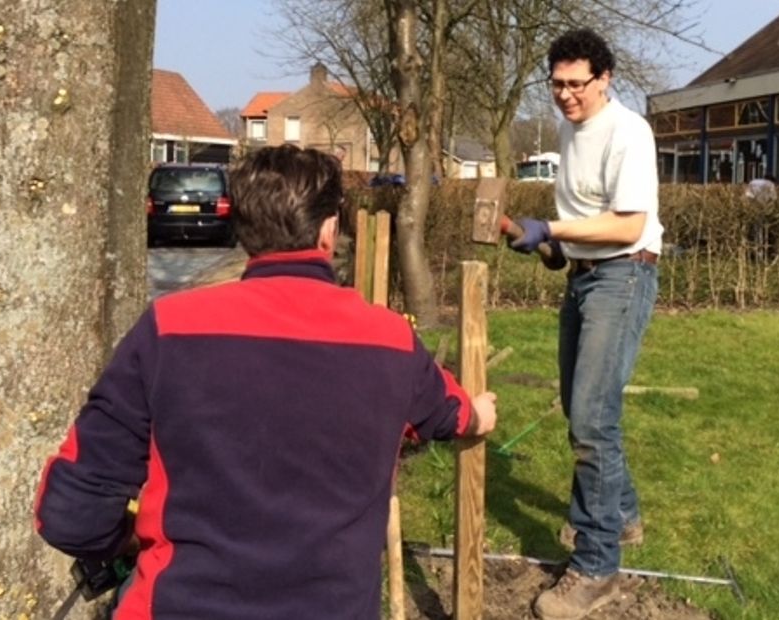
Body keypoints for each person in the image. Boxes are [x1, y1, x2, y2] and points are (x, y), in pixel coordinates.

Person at [34, 144, 497, 619]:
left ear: (244, 230)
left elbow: (70, 512)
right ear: (328, 229)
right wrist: (477, 413)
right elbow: (448, 411)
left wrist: (128, 543)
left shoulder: (168, 330)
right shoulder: (390, 340)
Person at [508, 28, 662, 620]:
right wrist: (542, 245)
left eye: (578, 84)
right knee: (582, 409)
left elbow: (625, 226)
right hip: (586, 278)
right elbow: (575, 229)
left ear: (605, 79)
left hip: (624, 274)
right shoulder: (571, 133)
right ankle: (619, 516)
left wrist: (552, 228)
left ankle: (595, 567)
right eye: (557, 84)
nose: (567, 95)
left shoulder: (628, 131)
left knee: (594, 418)